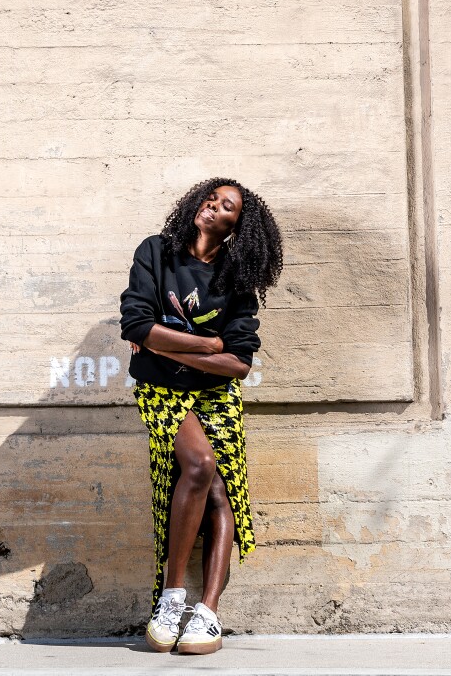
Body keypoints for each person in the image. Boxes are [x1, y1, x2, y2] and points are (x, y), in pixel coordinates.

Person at [119, 177, 283, 654]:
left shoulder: (235, 278)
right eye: (210, 199)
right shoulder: (157, 252)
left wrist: (168, 344)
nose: (213, 208)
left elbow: (238, 362)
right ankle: (171, 598)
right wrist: (208, 344)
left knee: (221, 491)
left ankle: (207, 611)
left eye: (226, 206)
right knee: (200, 465)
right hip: (160, 389)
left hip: (215, 393)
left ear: (237, 225)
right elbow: (135, 324)